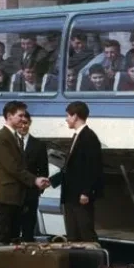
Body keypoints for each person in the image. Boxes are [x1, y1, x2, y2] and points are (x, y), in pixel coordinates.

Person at [0, 101, 50, 244]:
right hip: (4, 197)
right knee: (3, 239)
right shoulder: (2, 137)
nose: (23, 119)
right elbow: (12, 167)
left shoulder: (12, 136)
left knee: (13, 239)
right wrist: (34, 180)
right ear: (9, 116)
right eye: (20, 115)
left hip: (13, 197)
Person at [50, 101, 103, 241]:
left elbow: (93, 167)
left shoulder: (89, 137)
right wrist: (51, 181)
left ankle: (92, 255)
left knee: (85, 232)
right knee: (73, 234)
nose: (66, 119)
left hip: (80, 196)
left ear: (75, 116)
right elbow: (70, 168)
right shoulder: (77, 136)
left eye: (68, 115)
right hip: (71, 195)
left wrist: (86, 191)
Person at [17, 111, 48, 242]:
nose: (23, 126)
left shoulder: (38, 145)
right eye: (20, 123)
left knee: (28, 230)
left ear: (30, 123)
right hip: (12, 194)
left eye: (26, 123)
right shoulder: (9, 143)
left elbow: (44, 170)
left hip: (30, 194)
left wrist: (38, 190)